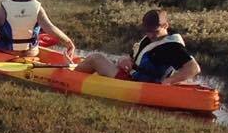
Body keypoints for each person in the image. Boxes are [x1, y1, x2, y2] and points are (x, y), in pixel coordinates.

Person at [73, 7, 202, 85]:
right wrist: (125, 59)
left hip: (135, 83)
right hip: (132, 77)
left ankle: (70, 79)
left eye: (154, 31)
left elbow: (193, 68)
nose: (150, 35)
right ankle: (78, 74)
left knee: (96, 58)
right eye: (147, 31)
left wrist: (169, 82)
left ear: (165, 26)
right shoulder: (150, 38)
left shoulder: (172, 47)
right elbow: (134, 58)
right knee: (100, 59)